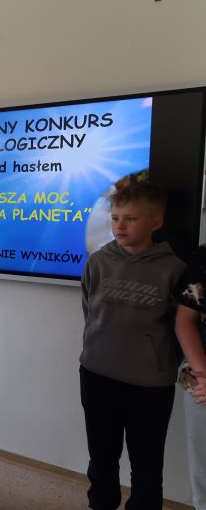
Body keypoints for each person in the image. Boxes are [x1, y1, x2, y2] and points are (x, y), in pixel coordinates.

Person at [79, 181, 185, 510]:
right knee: (101, 458)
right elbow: (89, 309)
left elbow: (181, 328)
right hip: (97, 374)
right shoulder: (97, 262)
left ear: (156, 222)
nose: (120, 226)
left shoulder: (174, 269)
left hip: (149, 384)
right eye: (115, 218)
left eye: (130, 219)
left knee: (147, 464)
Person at [174, 246, 206, 510]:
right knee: (202, 475)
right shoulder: (203, 257)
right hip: (201, 383)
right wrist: (203, 375)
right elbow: (185, 321)